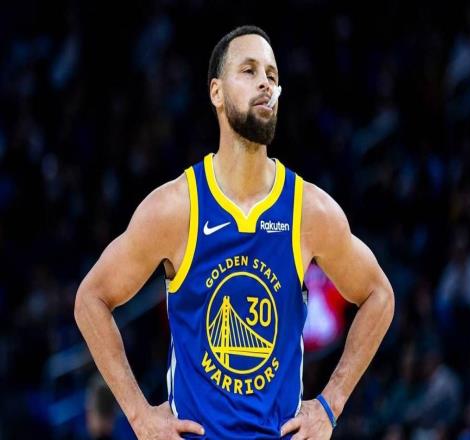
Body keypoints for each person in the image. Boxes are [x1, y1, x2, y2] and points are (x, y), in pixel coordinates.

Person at [74, 25, 395, 439]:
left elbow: (379, 294)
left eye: (272, 75)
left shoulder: (309, 211)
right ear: (217, 93)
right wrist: (139, 415)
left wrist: (330, 404)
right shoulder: (177, 208)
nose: (265, 83)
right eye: (249, 70)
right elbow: (91, 299)